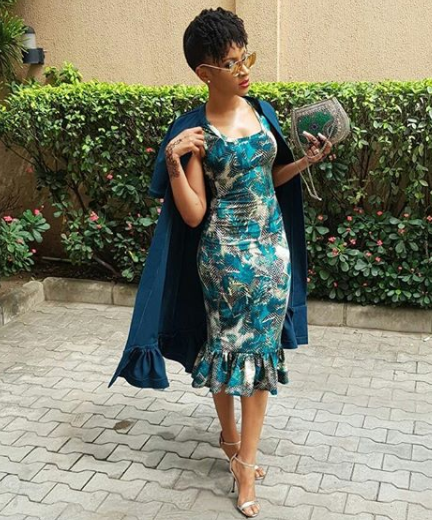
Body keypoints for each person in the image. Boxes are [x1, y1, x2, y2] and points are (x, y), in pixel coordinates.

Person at [161, 7, 335, 518]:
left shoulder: (260, 112)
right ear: (204, 72)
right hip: (225, 258)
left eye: (246, 57)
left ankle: (245, 462)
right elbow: (194, 214)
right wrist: (173, 162)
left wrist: (304, 162)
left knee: (259, 355)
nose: (244, 70)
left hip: (272, 253)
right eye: (232, 62)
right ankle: (232, 442)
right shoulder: (196, 133)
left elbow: (268, 178)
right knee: (224, 351)